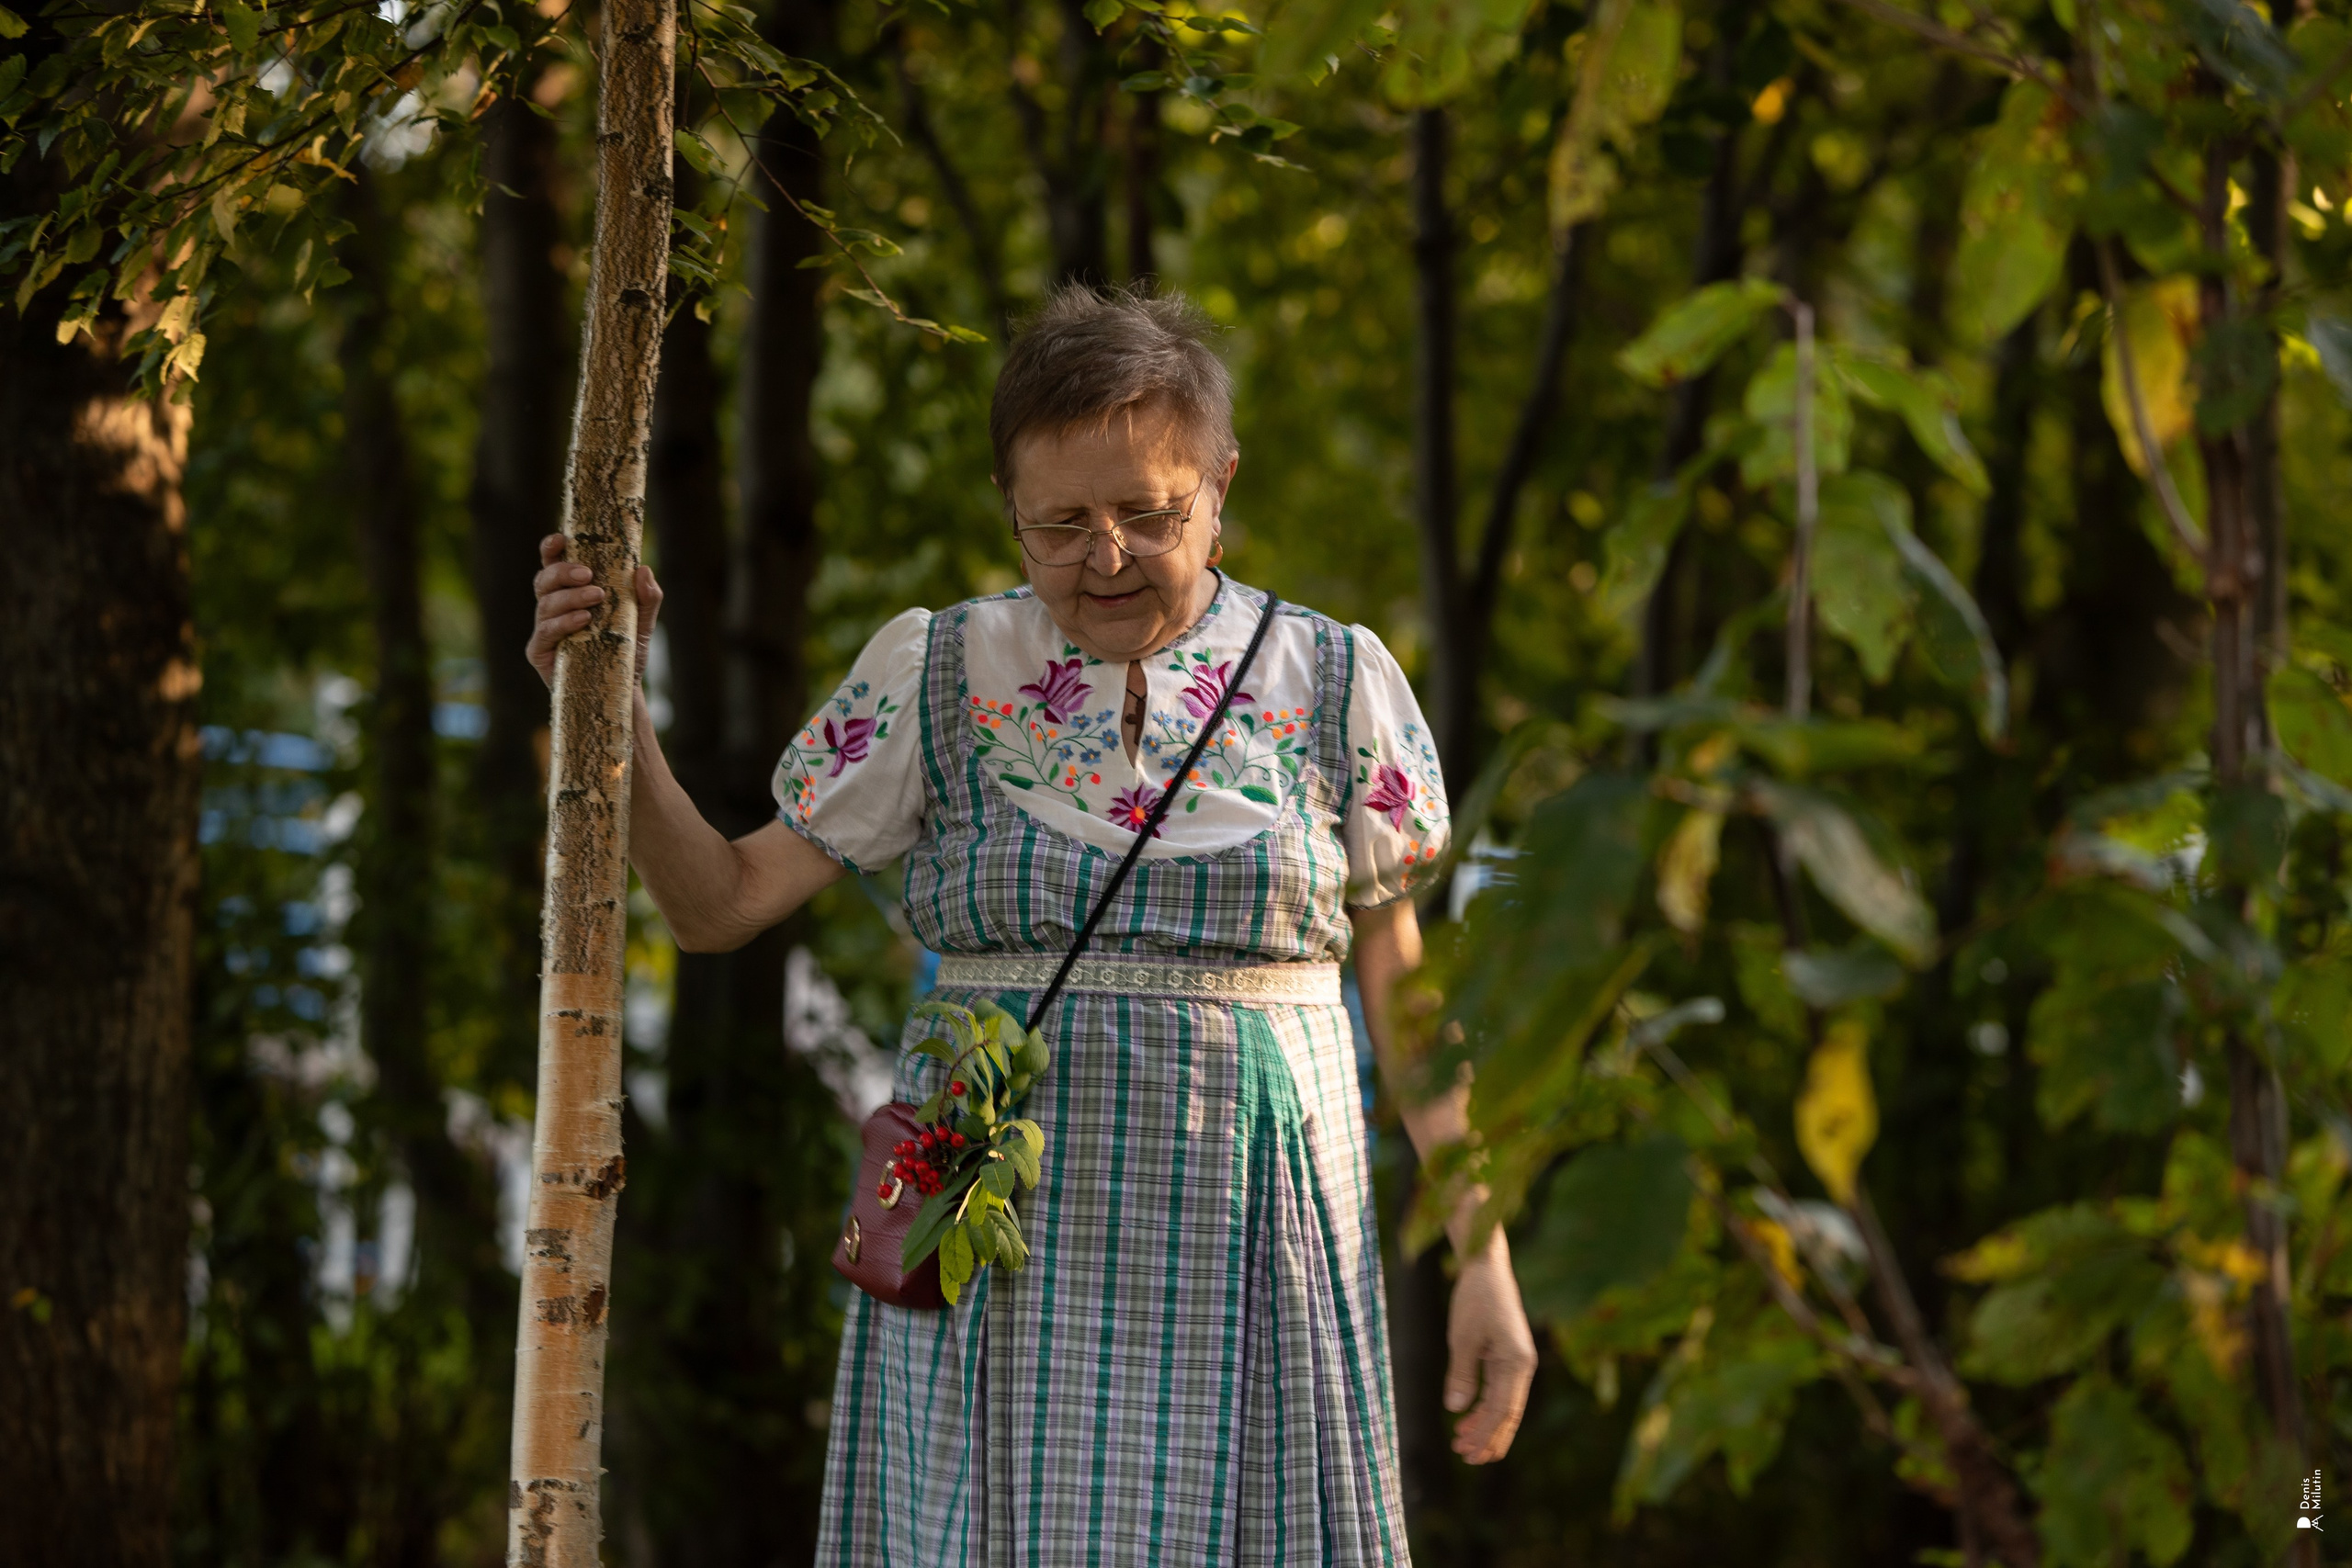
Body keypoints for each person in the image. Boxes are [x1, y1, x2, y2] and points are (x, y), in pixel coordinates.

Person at [527, 286, 1535, 1564]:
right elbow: (718, 905)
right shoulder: (935, 669)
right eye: (1058, 524)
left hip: (1260, 1232)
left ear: (1221, 485)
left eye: (1148, 514)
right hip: (992, 1228)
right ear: (1008, 506)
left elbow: (1405, 997)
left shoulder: (1333, 679)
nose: (1103, 556)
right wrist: (606, 704)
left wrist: (1482, 1256)